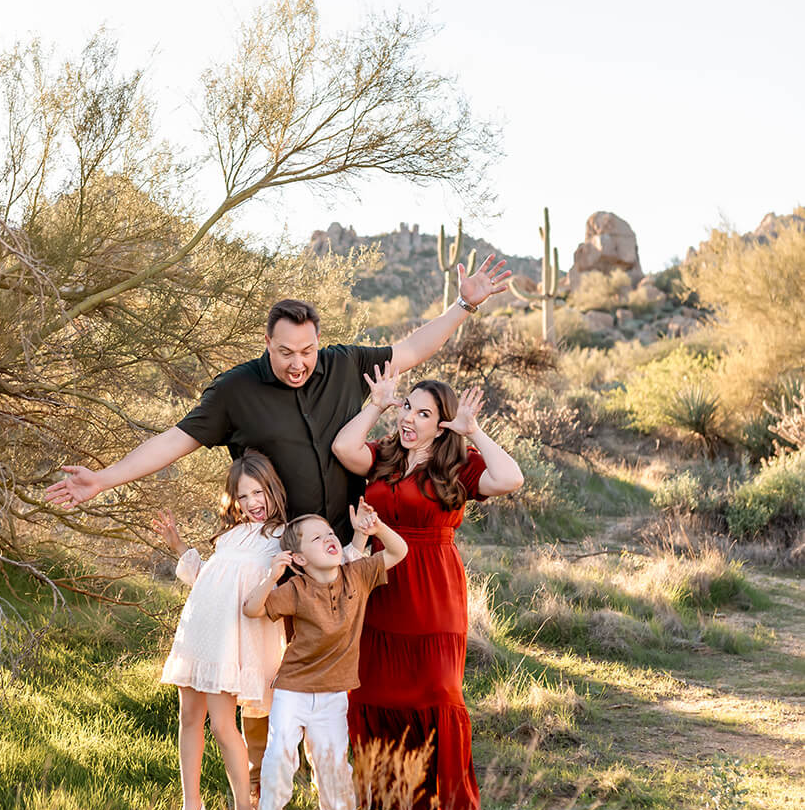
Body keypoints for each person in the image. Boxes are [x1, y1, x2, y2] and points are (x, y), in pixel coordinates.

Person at [46, 264, 511, 781]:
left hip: (343, 552)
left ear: (319, 342)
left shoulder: (342, 366)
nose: (298, 363)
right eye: (286, 352)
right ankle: (264, 788)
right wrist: (104, 479)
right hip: (281, 554)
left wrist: (463, 306)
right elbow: (174, 441)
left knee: (342, 673)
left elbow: (411, 350)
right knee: (268, 674)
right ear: (267, 342)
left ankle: (344, 782)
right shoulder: (236, 392)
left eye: (308, 351)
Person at [332, 364, 523, 810]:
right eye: (408, 409)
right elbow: (343, 449)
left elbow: (511, 478)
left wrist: (474, 430)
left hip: (433, 588)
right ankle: (389, 801)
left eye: (424, 413)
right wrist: (378, 403)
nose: (410, 420)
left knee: (440, 695)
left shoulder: (458, 465)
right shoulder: (385, 457)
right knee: (371, 694)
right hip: (379, 585)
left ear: (443, 423)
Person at [242, 508, 407, 810]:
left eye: (330, 533)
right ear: (299, 559)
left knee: (332, 760)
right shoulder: (297, 589)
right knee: (279, 754)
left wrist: (377, 527)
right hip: (293, 689)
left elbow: (398, 551)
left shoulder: (357, 574)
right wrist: (272, 577)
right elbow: (251, 608)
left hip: (333, 692)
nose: (329, 538)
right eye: (316, 538)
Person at [152, 452, 290, 810]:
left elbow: (270, 593)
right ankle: (191, 807)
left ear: (273, 489)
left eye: (258, 492)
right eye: (243, 496)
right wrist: (177, 543)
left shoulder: (281, 536)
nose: (252, 502)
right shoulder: (230, 536)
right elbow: (207, 581)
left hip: (233, 641)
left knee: (222, 726)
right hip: (200, 631)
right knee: (189, 718)